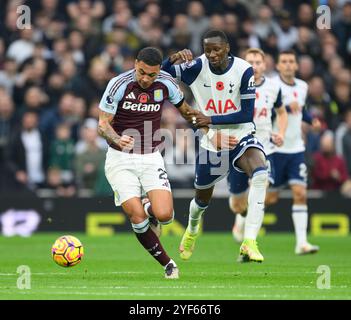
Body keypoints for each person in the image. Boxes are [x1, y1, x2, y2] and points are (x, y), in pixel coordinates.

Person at [98, 47, 224, 278]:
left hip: (150, 157)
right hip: (119, 159)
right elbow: (102, 124)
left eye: (152, 75)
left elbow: (187, 112)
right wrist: (117, 138)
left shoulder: (166, 83)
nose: (146, 79)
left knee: (165, 215)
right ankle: (169, 264)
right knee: (137, 216)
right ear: (135, 64)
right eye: (142, 73)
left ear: (159, 72)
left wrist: (211, 134)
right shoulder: (119, 84)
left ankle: (151, 209)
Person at [162, 30, 269, 263]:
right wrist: (172, 59)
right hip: (211, 142)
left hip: (240, 136)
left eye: (216, 49)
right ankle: (191, 230)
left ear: (227, 48)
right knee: (201, 200)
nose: (211, 54)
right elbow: (161, 73)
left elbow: (246, 114)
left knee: (261, 174)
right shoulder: (196, 67)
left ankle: (249, 241)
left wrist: (209, 120)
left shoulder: (243, 70)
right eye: (207, 49)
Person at [229, 48, 288, 244]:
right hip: (240, 149)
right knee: (237, 204)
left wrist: (280, 133)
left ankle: (250, 241)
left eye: (258, 62)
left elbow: (281, 112)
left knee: (260, 188)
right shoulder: (234, 85)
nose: (254, 66)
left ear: (264, 65)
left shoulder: (273, 87)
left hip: (265, 149)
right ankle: (241, 218)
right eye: (250, 62)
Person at [265, 50, 320, 255]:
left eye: (291, 61)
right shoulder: (271, 86)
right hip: (276, 149)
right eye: (284, 62)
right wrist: (287, 108)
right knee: (270, 199)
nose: (288, 65)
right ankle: (243, 225)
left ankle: (302, 243)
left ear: (296, 66)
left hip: (296, 149)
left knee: (300, 193)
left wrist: (310, 120)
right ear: (278, 66)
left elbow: (302, 110)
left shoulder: (303, 86)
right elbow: (266, 111)